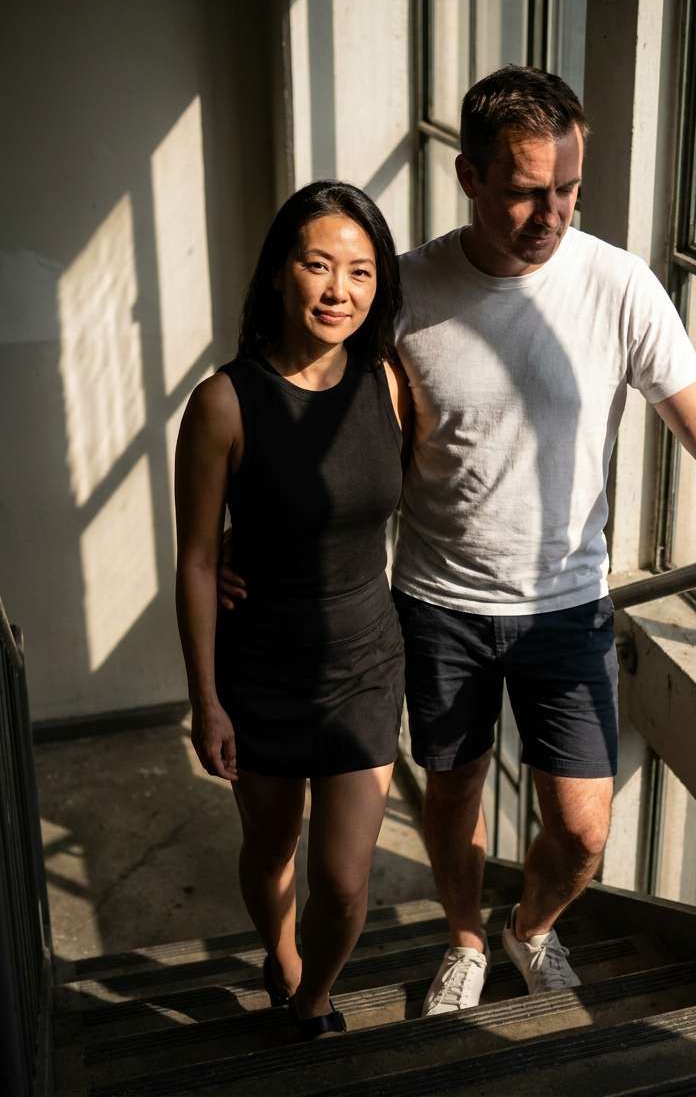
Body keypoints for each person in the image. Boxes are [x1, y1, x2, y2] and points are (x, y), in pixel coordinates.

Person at [221, 67, 696, 1018]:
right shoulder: (403, 287)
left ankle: (528, 927)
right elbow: (305, 403)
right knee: (451, 799)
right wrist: (229, 540)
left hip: (567, 606)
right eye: (529, 190)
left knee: (581, 830)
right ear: (470, 179)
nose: (554, 212)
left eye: (570, 187)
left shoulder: (618, 283)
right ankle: (462, 936)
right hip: (437, 602)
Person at [175, 180, 409, 1039]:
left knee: (345, 880)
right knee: (271, 849)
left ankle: (315, 998)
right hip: (262, 666)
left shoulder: (388, 382)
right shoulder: (223, 403)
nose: (339, 290)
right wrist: (206, 700)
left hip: (365, 663)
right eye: (318, 265)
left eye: (360, 271)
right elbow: (198, 559)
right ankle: (279, 956)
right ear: (280, 273)